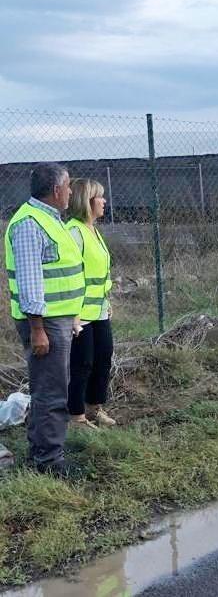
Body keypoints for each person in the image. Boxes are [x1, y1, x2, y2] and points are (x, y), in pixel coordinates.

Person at [4, 163, 84, 475]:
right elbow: (30, 281)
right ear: (55, 190)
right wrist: (38, 330)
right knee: (51, 391)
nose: (70, 192)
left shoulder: (50, 219)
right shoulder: (29, 224)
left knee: (51, 387)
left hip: (56, 319)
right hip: (44, 322)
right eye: (67, 187)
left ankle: (43, 451)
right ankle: (49, 462)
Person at [66, 179, 116, 429]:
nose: (104, 201)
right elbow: (71, 275)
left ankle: (95, 408)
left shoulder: (93, 230)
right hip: (80, 313)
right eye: (99, 197)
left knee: (103, 358)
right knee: (82, 363)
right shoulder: (74, 232)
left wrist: (106, 302)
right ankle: (76, 417)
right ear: (86, 201)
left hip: (99, 310)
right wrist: (73, 315)